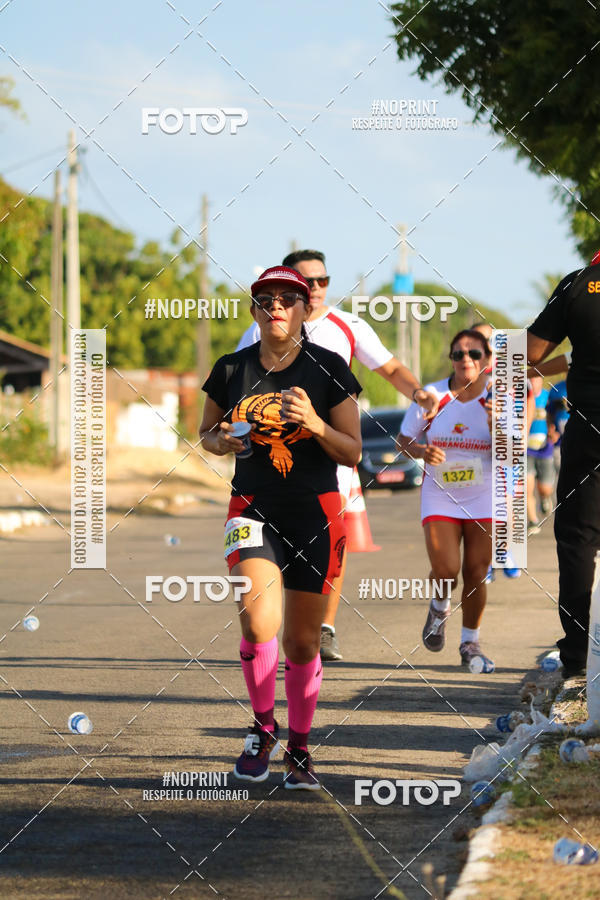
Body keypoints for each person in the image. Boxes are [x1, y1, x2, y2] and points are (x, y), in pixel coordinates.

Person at [200, 265, 362, 789]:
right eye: (265, 298)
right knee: (257, 621)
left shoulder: (329, 367)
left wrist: (315, 424)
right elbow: (206, 434)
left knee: (301, 642)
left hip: (317, 509)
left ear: (305, 309)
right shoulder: (231, 369)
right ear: (253, 310)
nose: (275, 306)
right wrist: (222, 441)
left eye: (287, 298)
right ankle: (263, 726)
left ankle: (299, 746)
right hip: (250, 505)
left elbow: (353, 451)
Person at [237, 249, 438, 661]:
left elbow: (390, 368)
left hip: (332, 448)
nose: (314, 289)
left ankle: (323, 627)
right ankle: (277, 621)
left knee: (329, 541)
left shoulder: (347, 326)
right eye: (305, 282)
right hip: (275, 458)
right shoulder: (259, 330)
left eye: (322, 281)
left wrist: (416, 392)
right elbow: (238, 386)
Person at [398, 329, 495, 669]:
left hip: (485, 495)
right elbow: (403, 439)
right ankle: (439, 607)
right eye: (458, 354)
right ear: (451, 359)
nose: (466, 359)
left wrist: (498, 426)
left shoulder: (498, 397)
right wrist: (422, 451)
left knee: (475, 571)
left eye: (474, 354)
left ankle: (470, 643)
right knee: (446, 567)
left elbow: (514, 455)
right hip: (440, 495)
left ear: (486, 360)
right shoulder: (433, 395)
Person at [527, 263, 600, 678]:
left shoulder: (578, 285)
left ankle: (577, 659)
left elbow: (531, 353)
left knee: (578, 542)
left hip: (589, 432)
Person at [526, 375, 557, 530]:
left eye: (535, 379)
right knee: (526, 486)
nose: (532, 382)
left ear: (541, 380)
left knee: (545, 488)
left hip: (544, 448)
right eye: (529, 379)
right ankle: (533, 521)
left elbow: (554, 415)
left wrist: (553, 430)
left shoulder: (547, 395)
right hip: (525, 449)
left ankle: (545, 498)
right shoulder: (520, 397)